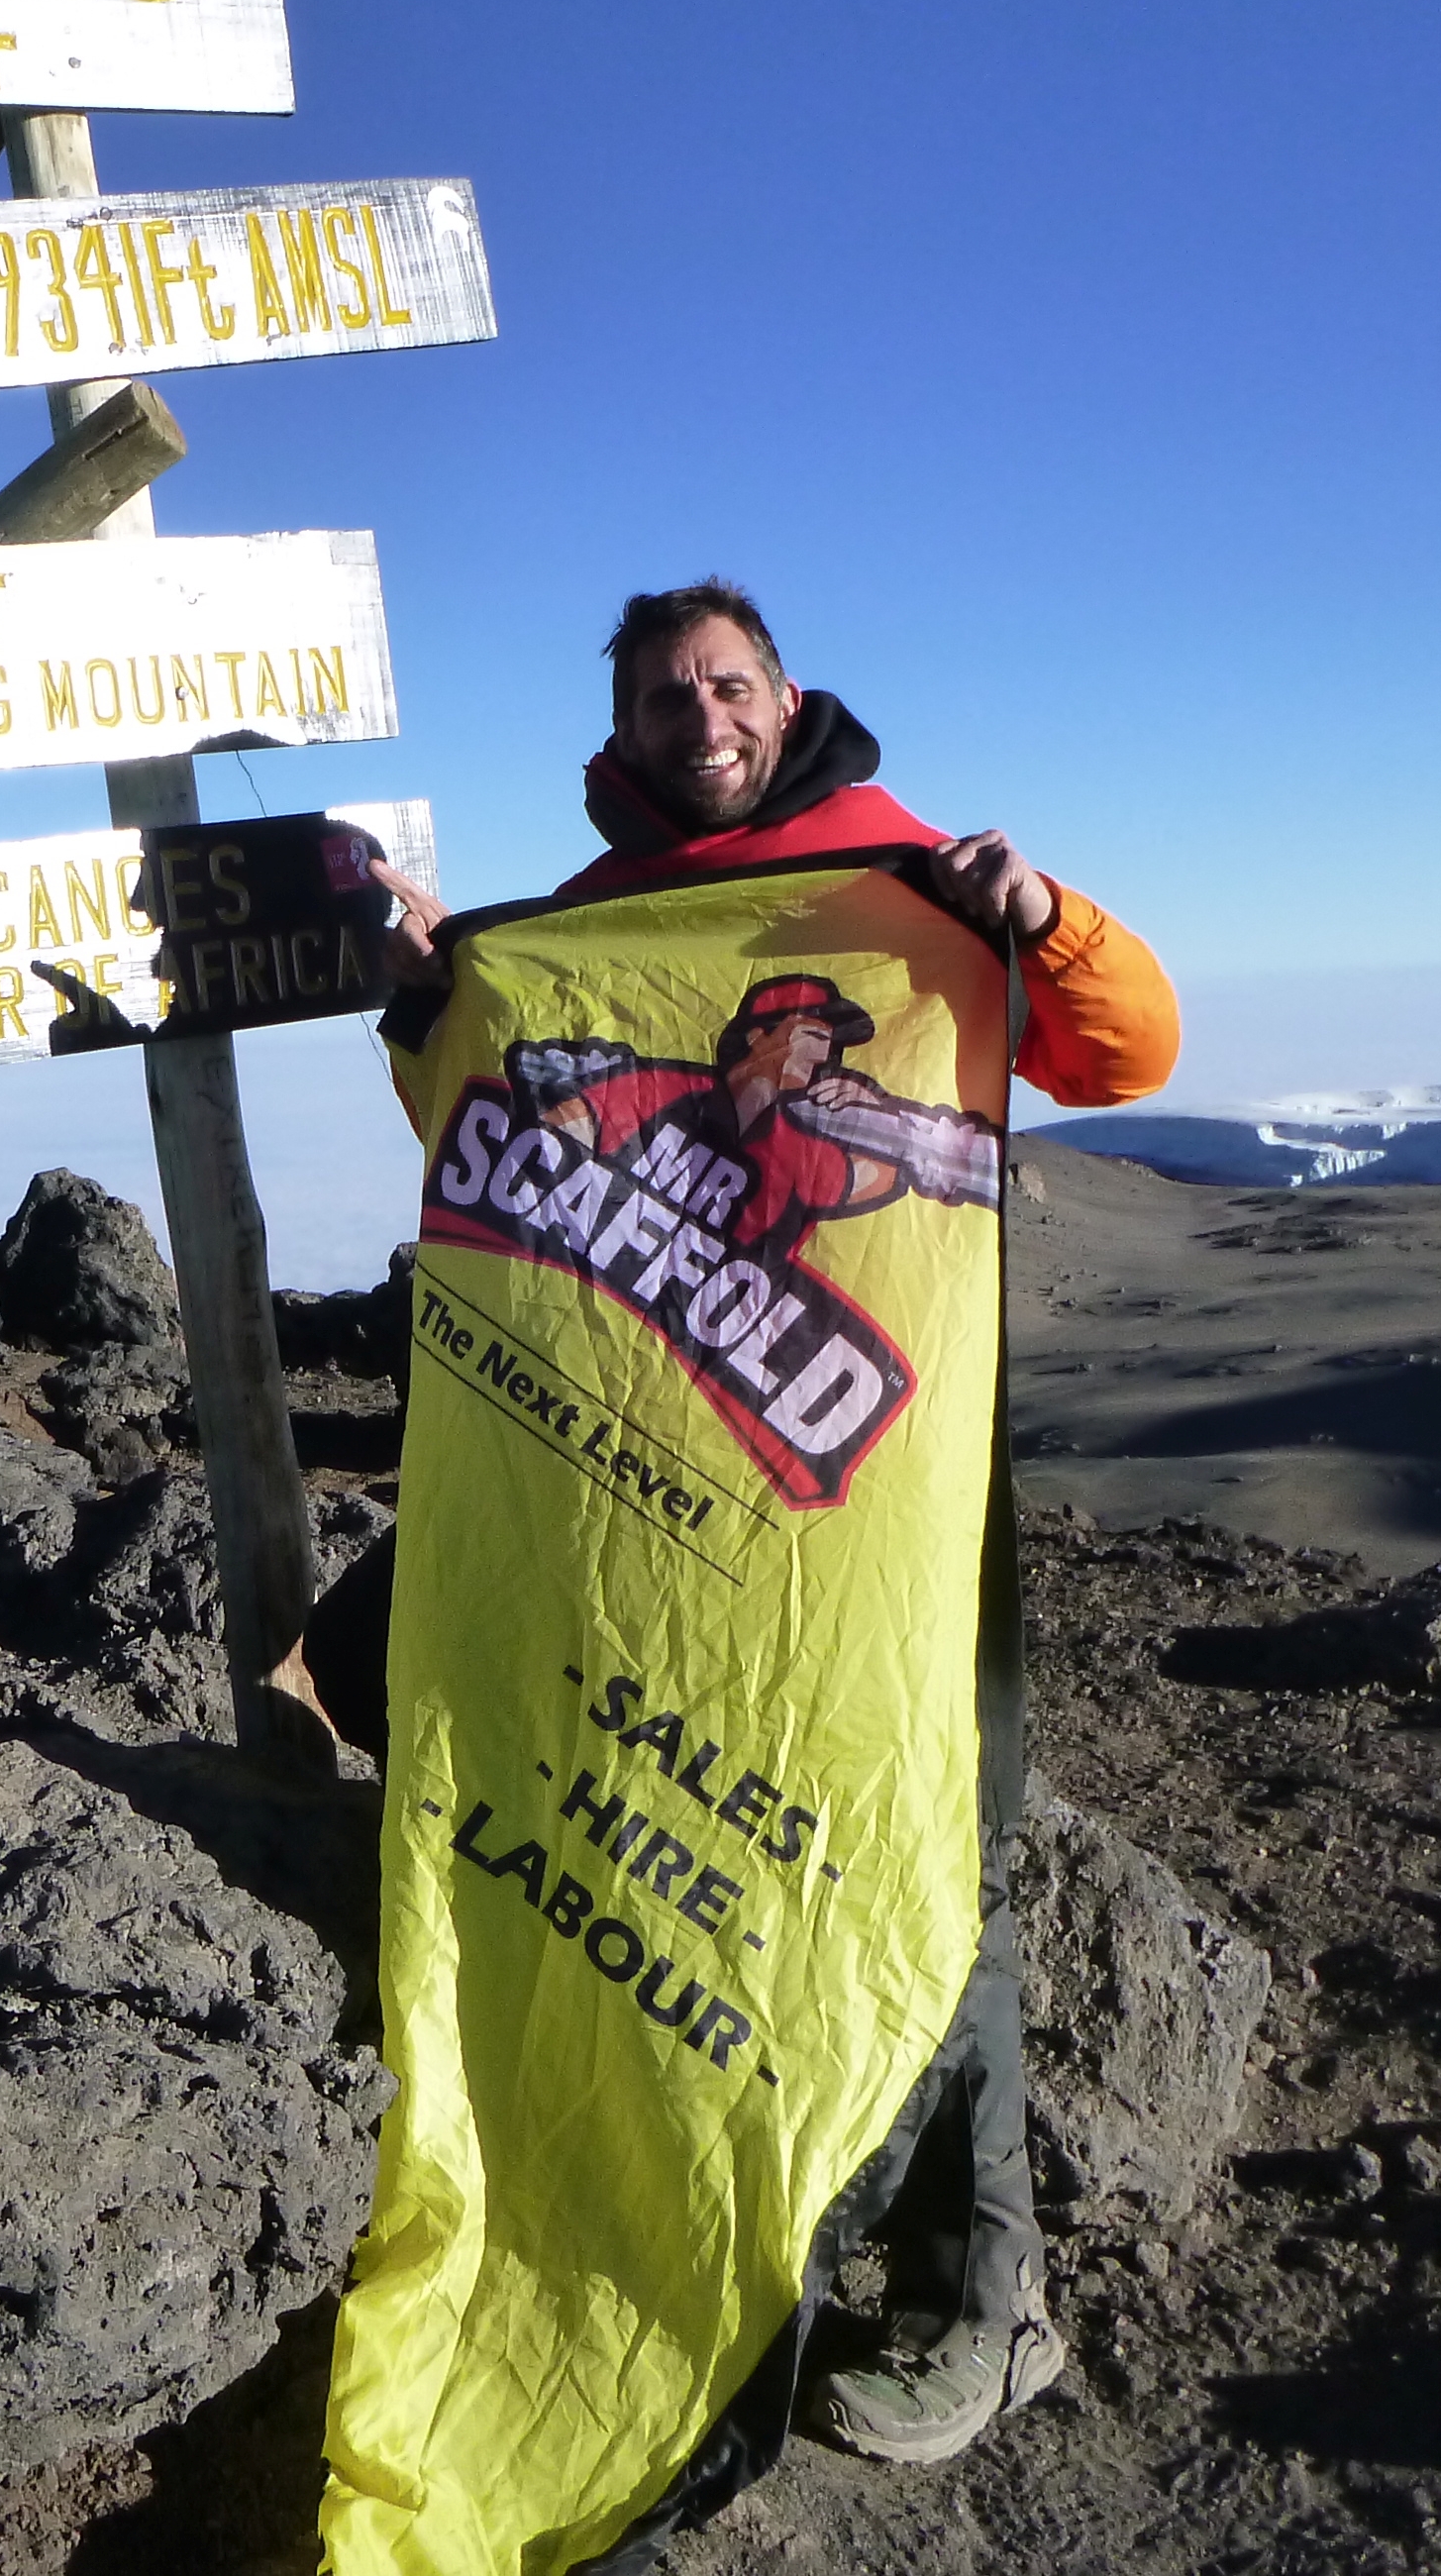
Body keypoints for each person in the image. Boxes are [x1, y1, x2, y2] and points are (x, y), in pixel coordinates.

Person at [336, 575, 1180, 2473]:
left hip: (886, 1510)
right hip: (649, 1502)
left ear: (785, 701)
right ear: (622, 729)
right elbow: (479, 1129)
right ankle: (702, 2241)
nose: (695, 714)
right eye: (659, 694)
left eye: (725, 683)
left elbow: (1126, 1058)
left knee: (924, 1861)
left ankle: (991, 2302)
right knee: (644, 1859)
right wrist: (419, 989)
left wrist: (1043, 922)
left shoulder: (908, 891)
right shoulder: (589, 937)